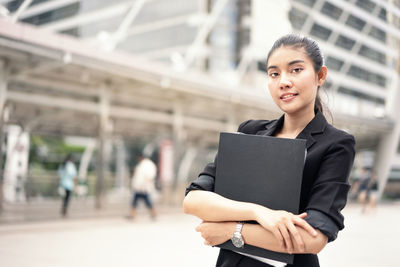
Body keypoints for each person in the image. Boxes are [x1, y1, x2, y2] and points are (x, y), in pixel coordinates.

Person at [183, 34, 355, 267]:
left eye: (295, 70)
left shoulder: (336, 144)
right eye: (274, 73)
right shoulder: (250, 131)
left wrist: (230, 229)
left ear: (320, 75)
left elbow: (312, 238)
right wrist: (258, 213)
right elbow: (194, 200)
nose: (283, 81)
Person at [129, 155, 157, 220]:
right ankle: (132, 214)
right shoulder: (143, 165)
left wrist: (145, 183)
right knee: (135, 201)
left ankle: (153, 213)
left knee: (146, 201)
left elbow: (149, 175)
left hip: (144, 187)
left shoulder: (146, 165)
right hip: (139, 187)